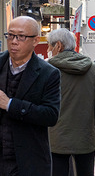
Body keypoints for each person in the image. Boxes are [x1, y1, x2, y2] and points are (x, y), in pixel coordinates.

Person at [0, 16, 61, 175]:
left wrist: (11, 105)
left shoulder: (48, 73)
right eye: (10, 35)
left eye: (21, 37)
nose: (14, 41)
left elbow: (50, 115)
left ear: (35, 41)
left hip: (28, 160)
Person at [46, 28, 95, 176]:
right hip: (84, 135)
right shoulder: (93, 69)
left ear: (59, 46)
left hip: (55, 137)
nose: (49, 49)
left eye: (50, 45)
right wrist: (91, 121)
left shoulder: (47, 69)